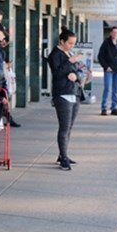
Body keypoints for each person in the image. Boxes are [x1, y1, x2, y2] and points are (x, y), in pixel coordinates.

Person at [48, 28, 80, 171]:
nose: (72, 46)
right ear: (62, 41)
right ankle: (64, 158)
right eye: (70, 43)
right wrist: (69, 61)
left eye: (74, 44)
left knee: (69, 127)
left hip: (74, 92)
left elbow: (75, 71)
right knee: (64, 127)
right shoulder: (55, 54)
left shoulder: (69, 54)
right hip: (62, 94)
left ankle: (63, 154)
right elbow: (57, 72)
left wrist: (76, 76)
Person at [97, 26, 117, 116]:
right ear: (111, 33)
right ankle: (104, 108)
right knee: (107, 88)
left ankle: (114, 108)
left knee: (116, 89)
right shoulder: (106, 43)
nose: (115, 34)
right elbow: (100, 56)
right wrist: (106, 66)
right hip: (108, 70)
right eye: (114, 32)